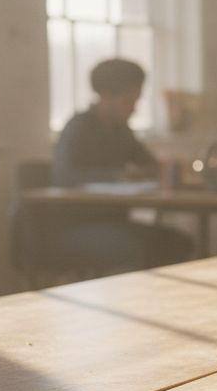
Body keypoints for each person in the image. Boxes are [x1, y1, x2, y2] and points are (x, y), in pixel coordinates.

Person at [49, 58, 191, 271]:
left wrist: (169, 167)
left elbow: (150, 164)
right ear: (106, 96)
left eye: (137, 101)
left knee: (177, 243)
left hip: (114, 222)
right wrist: (118, 176)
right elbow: (66, 177)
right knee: (134, 248)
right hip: (76, 225)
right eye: (128, 101)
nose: (134, 109)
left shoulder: (122, 131)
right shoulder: (78, 127)